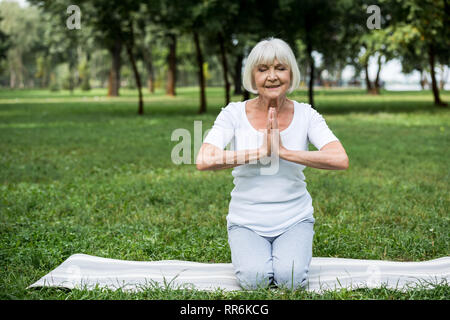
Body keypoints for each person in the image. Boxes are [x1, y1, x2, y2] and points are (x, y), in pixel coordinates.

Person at [196, 37, 349, 290]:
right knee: (254, 282)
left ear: (291, 73)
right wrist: (260, 152)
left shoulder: (307, 114)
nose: (272, 76)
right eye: (263, 69)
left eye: (280, 68)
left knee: (291, 281)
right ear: (252, 76)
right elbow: (204, 160)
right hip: (246, 220)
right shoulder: (233, 113)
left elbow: (340, 159)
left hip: (294, 218)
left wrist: (284, 152)